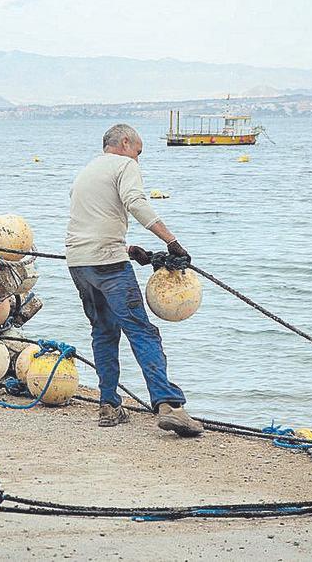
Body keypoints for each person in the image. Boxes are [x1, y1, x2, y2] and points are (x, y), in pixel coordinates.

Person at [64, 123, 203, 436]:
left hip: (79, 263)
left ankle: (109, 405)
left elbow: (91, 222)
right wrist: (172, 242)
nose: (138, 160)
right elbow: (135, 202)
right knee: (142, 331)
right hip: (108, 265)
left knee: (103, 331)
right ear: (125, 142)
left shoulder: (86, 172)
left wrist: (129, 249)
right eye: (138, 152)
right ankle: (169, 406)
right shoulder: (124, 165)